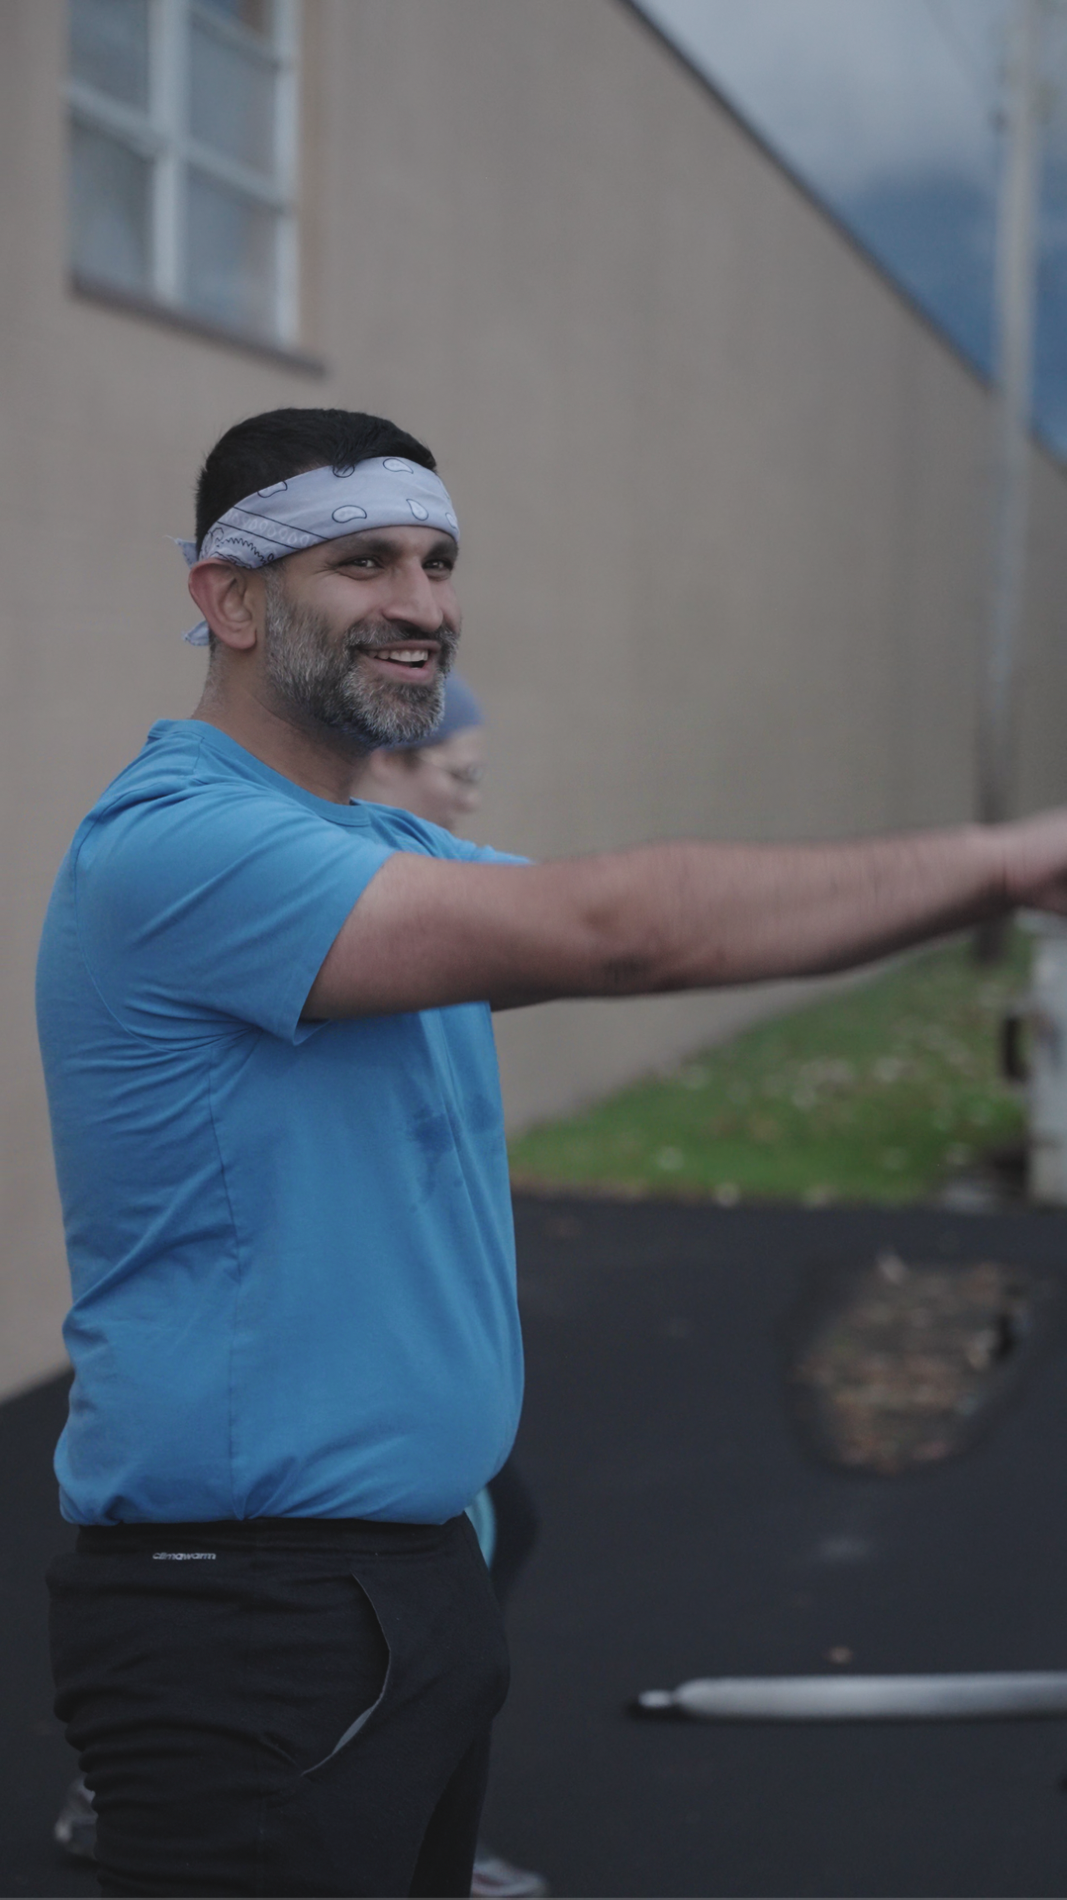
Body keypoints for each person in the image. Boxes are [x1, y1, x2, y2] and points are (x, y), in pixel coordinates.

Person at [35, 405, 1067, 1900]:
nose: (424, 603)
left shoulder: (379, 855)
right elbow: (625, 933)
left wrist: (1003, 887)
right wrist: (1018, 857)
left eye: (440, 560)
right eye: (364, 561)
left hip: (391, 1590)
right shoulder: (177, 847)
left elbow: (689, 928)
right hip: (250, 1614)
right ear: (229, 598)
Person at [354, 677, 546, 1900]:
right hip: (358, 1380)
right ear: (379, 766)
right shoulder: (322, 895)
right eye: (455, 774)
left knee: (493, 1535)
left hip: (422, 1350)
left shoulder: (423, 897)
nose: (470, 800)